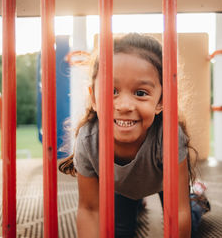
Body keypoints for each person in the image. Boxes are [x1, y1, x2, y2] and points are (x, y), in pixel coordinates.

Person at [59, 33, 209, 238]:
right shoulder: (89, 140)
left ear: (161, 101)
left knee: (188, 221)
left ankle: (197, 197)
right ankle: (137, 201)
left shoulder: (169, 135)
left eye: (140, 93)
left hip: (162, 182)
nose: (125, 106)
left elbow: (179, 211)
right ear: (93, 98)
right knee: (119, 231)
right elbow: (90, 210)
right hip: (123, 187)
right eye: (112, 90)